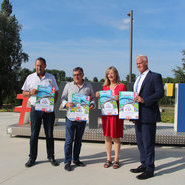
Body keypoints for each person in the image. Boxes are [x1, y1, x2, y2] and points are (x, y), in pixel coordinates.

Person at [130, 55, 164, 179]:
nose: (138, 65)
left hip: (148, 115)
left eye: (140, 63)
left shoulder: (155, 76)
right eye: (137, 63)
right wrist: (130, 113)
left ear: (146, 63)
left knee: (148, 143)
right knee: (140, 143)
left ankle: (150, 169)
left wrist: (145, 100)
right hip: (137, 115)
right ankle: (144, 164)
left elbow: (160, 93)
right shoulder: (138, 78)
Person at [22, 57, 59, 167]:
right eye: (37, 65)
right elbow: (24, 93)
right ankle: (32, 158)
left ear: (45, 66)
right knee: (34, 134)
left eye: (41, 65)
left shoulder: (51, 77)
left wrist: (52, 103)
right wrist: (30, 93)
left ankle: (51, 156)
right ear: (35, 66)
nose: (39, 67)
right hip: (35, 109)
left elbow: (56, 92)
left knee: (49, 134)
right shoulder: (30, 77)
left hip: (48, 109)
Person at [61, 67, 96, 171]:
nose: (76, 76)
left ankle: (76, 159)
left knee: (78, 140)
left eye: (78, 74)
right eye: (74, 75)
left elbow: (93, 98)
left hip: (82, 118)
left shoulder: (88, 86)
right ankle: (67, 161)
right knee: (69, 140)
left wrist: (92, 104)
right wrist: (66, 103)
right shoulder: (68, 85)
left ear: (82, 75)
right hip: (70, 117)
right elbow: (62, 98)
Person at [96, 66, 126, 169]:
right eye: (108, 74)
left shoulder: (122, 86)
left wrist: (119, 97)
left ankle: (116, 159)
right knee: (107, 137)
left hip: (116, 116)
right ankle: (108, 158)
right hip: (106, 115)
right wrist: (98, 95)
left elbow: (125, 102)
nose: (110, 75)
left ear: (116, 74)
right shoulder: (105, 88)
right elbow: (103, 101)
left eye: (112, 73)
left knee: (116, 137)